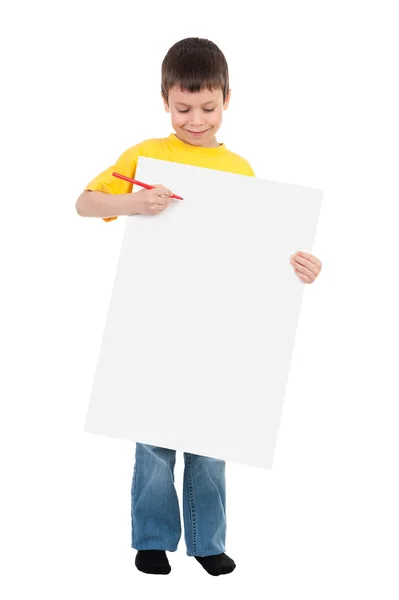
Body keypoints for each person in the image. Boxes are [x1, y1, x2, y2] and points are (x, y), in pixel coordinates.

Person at [76, 37, 322, 577]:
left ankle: (208, 542)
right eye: (182, 108)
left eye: (207, 108)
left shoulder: (238, 167)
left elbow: (256, 249)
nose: (195, 119)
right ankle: (153, 539)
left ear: (227, 99)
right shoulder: (146, 155)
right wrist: (133, 202)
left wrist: (298, 265)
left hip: (216, 326)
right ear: (164, 99)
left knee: (212, 440)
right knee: (155, 440)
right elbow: (84, 203)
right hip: (153, 322)